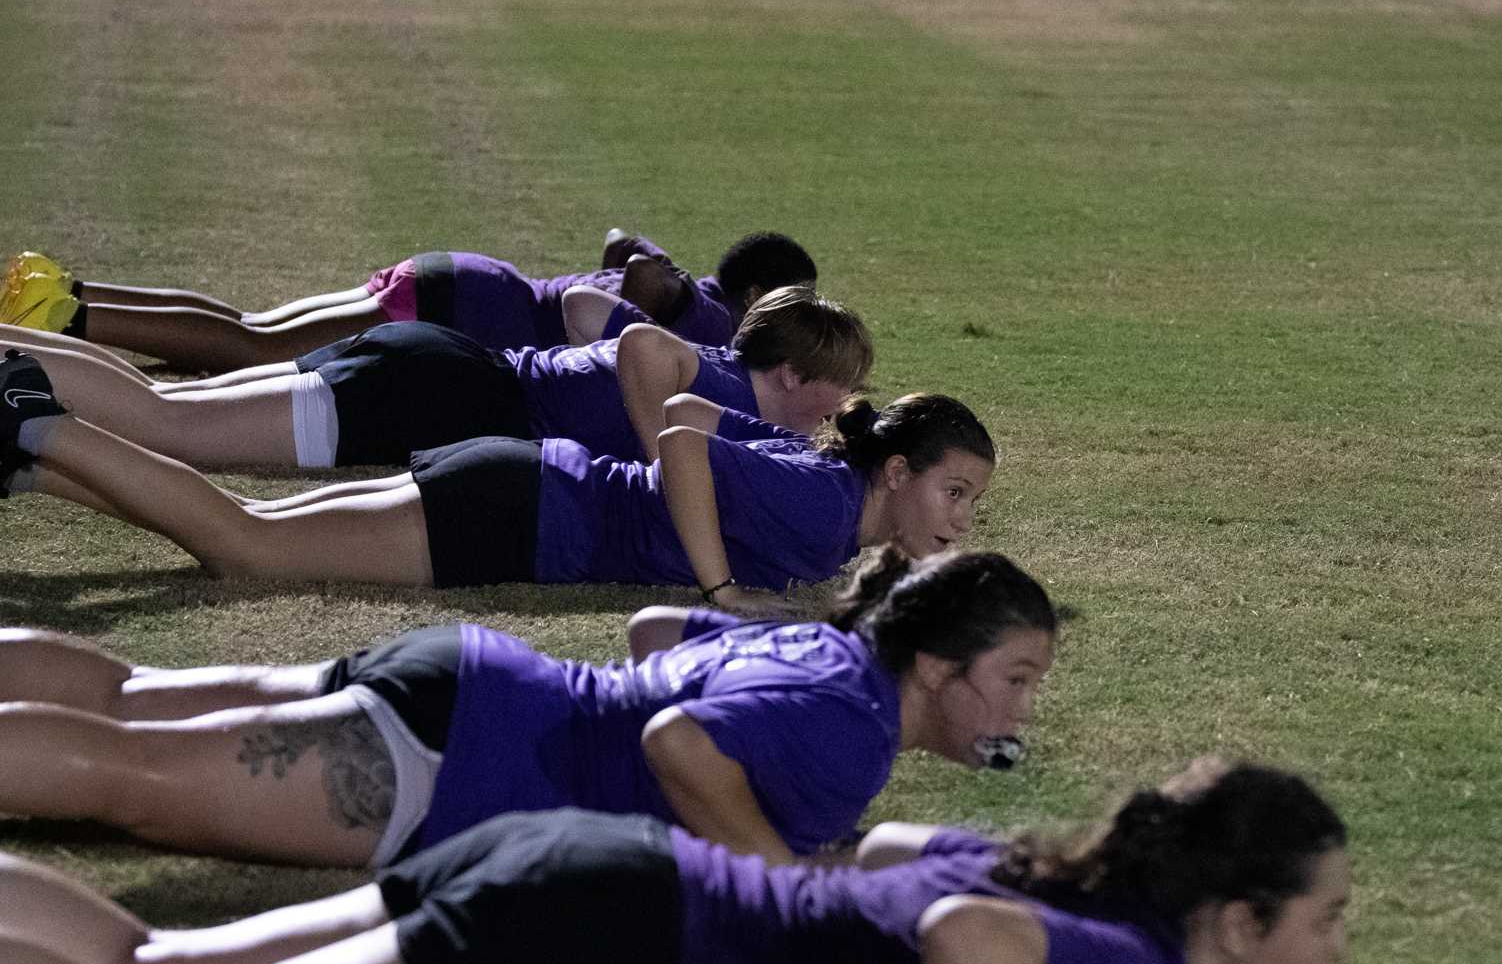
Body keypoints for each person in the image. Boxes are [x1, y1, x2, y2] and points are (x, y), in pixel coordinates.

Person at [0, 757, 1350, 964]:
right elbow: (965, 942)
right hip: (609, 957)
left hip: (602, 876)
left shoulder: (1065, 880)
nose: (1338, 947)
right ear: (1236, 916)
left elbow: (887, 849)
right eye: (1328, 916)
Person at [0, 546, 1054, 868]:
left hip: (464, 682)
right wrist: (781, 878)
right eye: (1014, 678)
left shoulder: (830, 649)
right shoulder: (855, 732)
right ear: (935, 667)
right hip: (453, 760)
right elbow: (677, 740)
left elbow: (651, 633)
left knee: (127, 701)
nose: (1020, 711)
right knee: (125, 776)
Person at [1, 355, 993, 593]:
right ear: (895, 472)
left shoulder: (824, 491)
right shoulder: (825, 508)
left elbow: (689, 410)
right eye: (953, 493)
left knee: (243, 526)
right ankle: (34, 424)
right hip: (520, 513)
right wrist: (719, 583)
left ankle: (29, 465)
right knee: (248, 546)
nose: (958, 522)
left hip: (520, 484)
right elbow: (682, 441)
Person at [0, 284, 870, 470]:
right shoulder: (718, 382)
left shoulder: (733, 382)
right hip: (438, 389)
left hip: (433, 369)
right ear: (793, 374)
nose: (844, 405)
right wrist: (658, 458)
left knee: (169, 406)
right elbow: (642, 350)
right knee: (170, 427)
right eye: (841, 386)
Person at [0, 229, 814, 371]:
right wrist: (656, 277)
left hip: (462, 280)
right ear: (754, 292)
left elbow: (617, 243)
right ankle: (60, 316)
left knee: (252, 328)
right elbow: (638, 274)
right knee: (253, 348)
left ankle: (61, 292)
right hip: (467, 308)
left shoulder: (705, 299)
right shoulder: (709, 315)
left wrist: (643, 255)